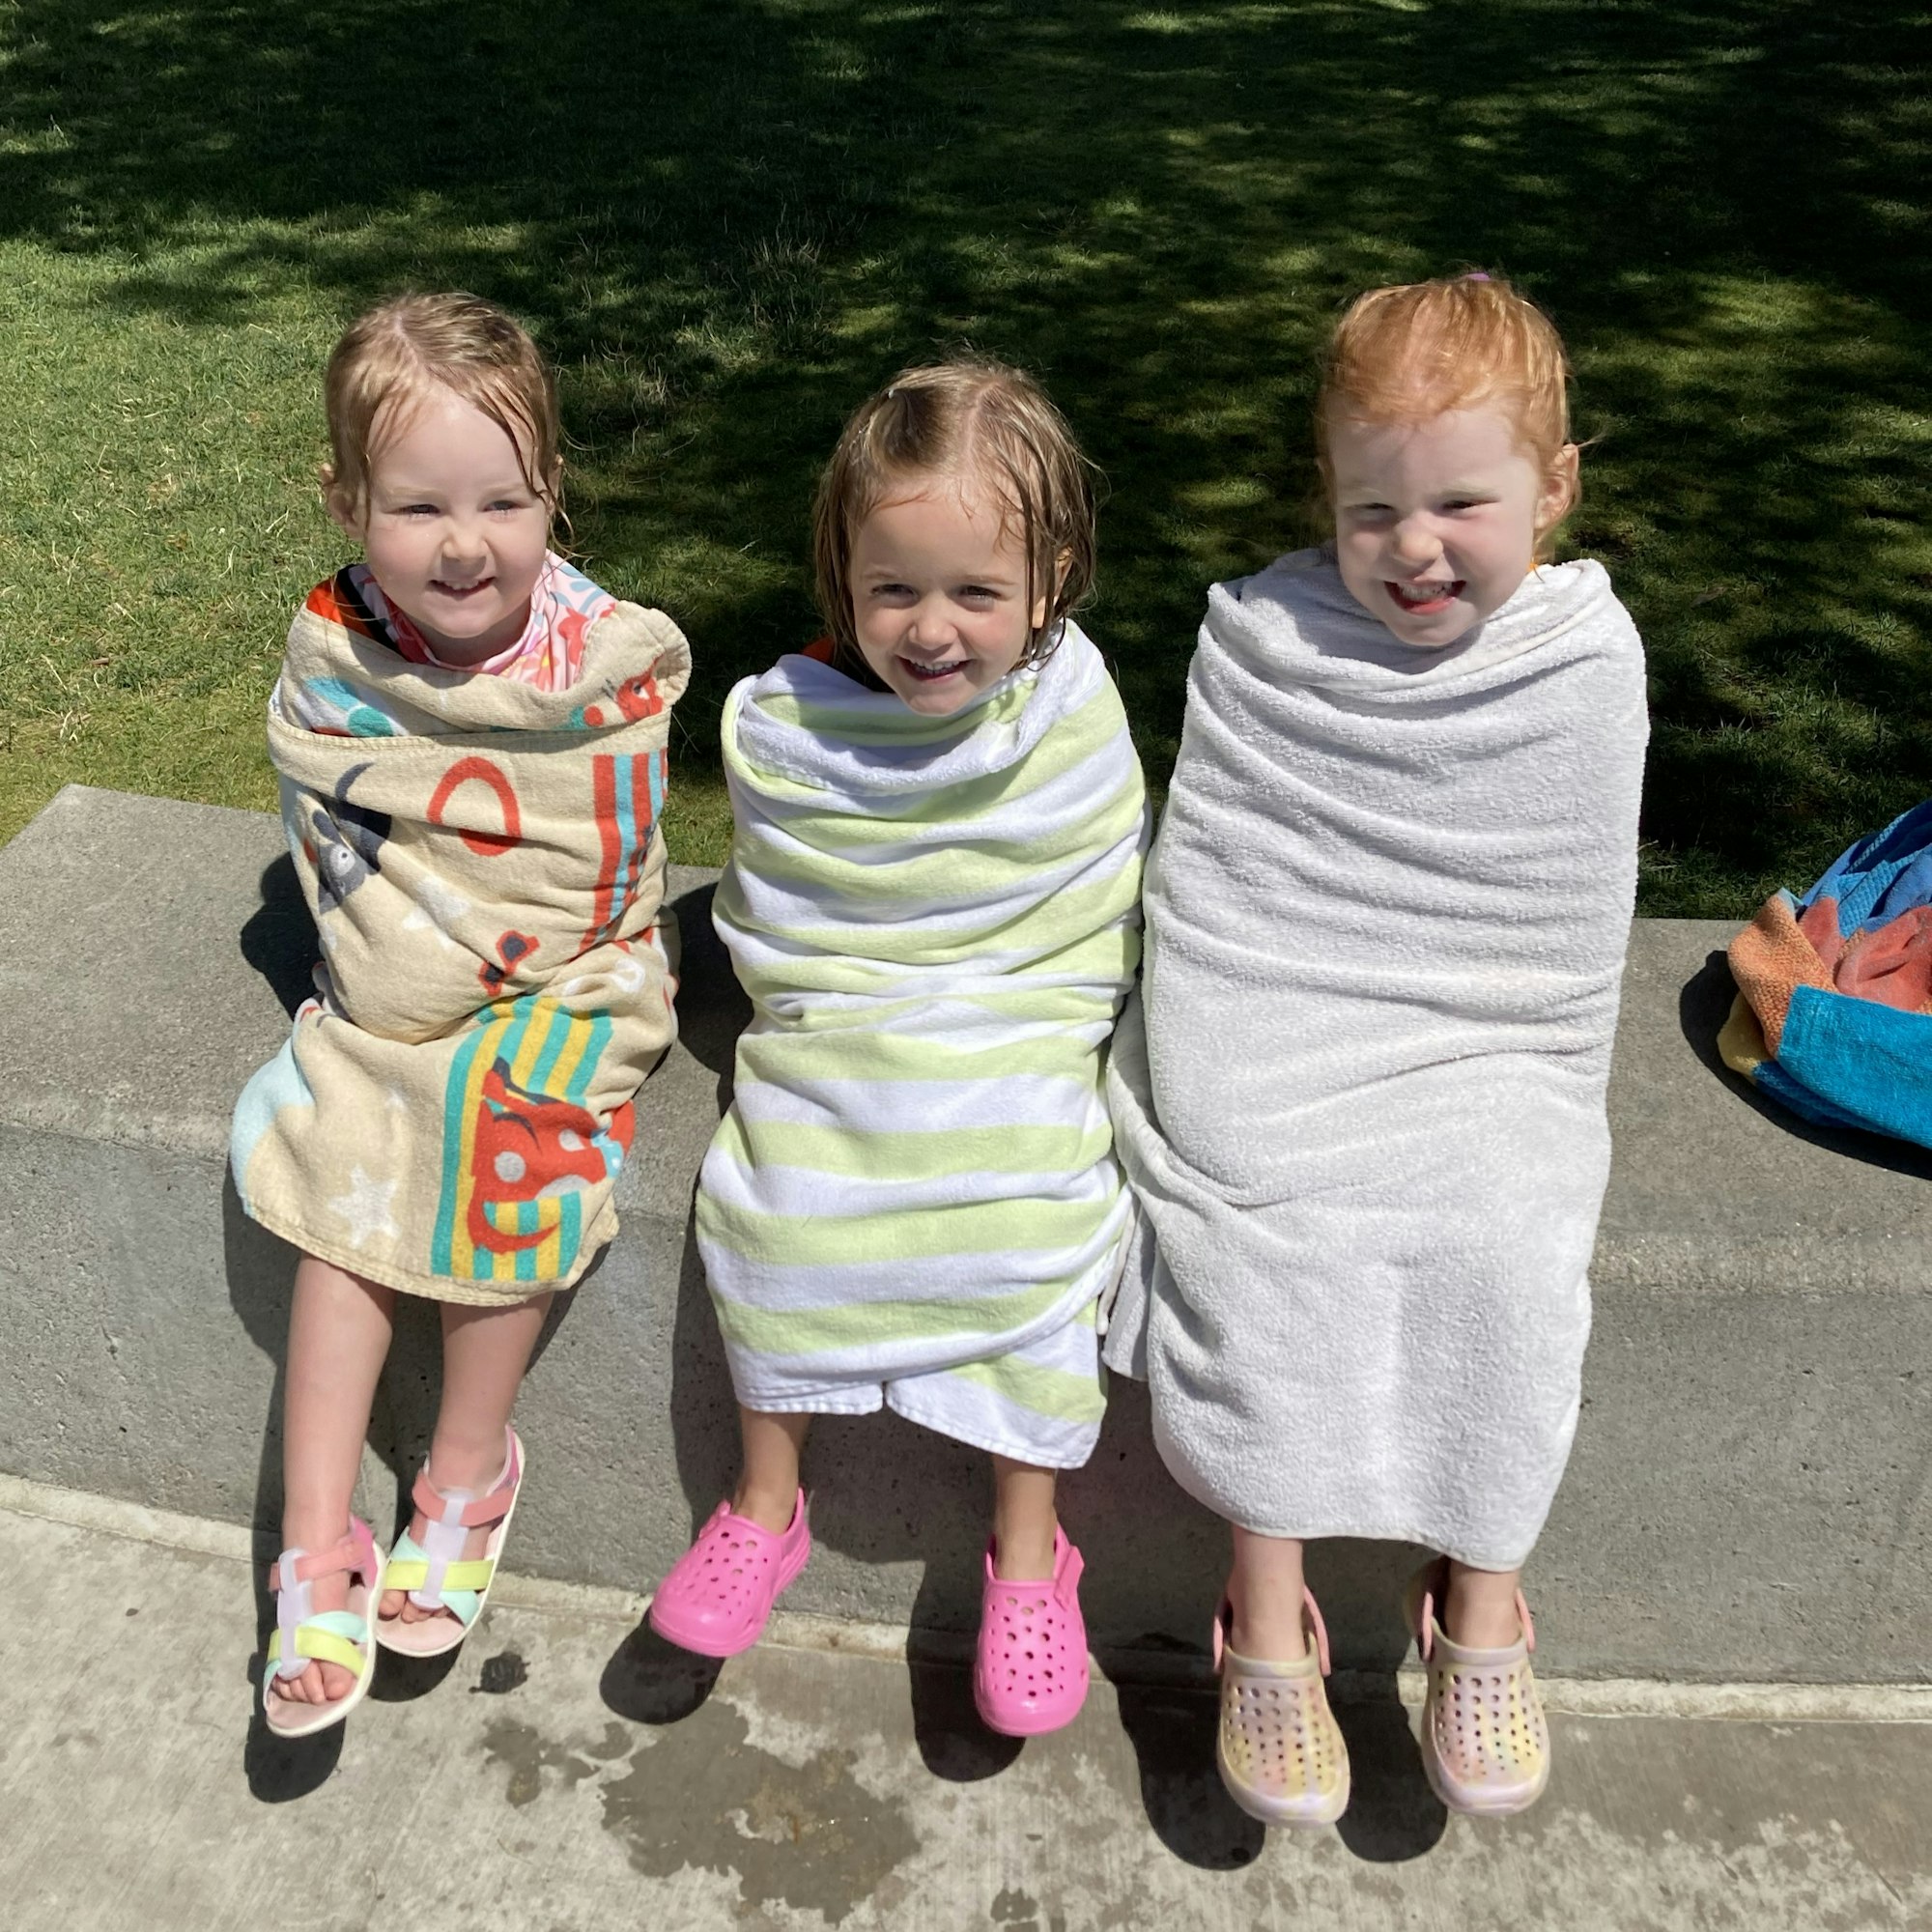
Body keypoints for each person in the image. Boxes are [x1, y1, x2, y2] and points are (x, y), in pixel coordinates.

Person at [1105, 273, 1647, 1822]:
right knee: (1258, 1227)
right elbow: (1214, 884)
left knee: (1508, 1241)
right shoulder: (1262, 642)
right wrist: (1224, 1055)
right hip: (1273, 1022)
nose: (1415, 549)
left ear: (1554, 489)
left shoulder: (1581, 666)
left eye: (1462, 504)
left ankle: (1479, 1597)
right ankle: (1261, 1608)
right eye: (1372, 511)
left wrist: (1500, 1075)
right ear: (1325, 502)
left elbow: (1554, 940)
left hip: (1484, 1043)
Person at [651, 358, 1149, 1738]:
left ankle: (1032, 1553)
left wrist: (1008, 1007)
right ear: (842, 573)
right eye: (894, 591)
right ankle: (763, 1505)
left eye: (977, 594)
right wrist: (835, 999)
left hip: (1014, 1023)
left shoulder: (1068, 712)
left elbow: (1084, 889)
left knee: (1040, 1216)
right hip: (851, 1026)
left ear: (1051, 580)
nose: (931, 631)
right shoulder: (791, 727)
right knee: (771, 1198)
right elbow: (782, 918)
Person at [232, 292, 691, 1737]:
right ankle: (317, 1536)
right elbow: (350, 825)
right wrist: (407, 968)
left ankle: (466, 1469)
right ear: (344, 500)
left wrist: (489, 966)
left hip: (573, 971)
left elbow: (592, 842)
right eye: (418, 504)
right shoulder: (336, 656)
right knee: (341, 1154)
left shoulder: (594, 665)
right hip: (388, 992)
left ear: (553, 490)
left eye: (505, 499)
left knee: (521, 1125)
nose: (466, 542)